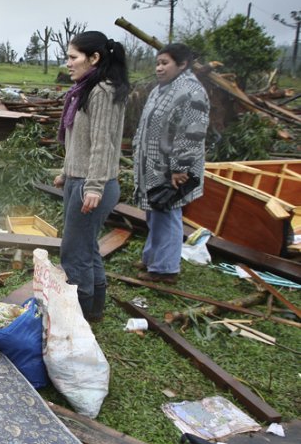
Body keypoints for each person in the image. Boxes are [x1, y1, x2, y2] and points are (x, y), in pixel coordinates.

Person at [53, 31, 130, 322]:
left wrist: (94, 186)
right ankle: (94, 310)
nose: (68, 63)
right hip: (80, 180)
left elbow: (102, 143)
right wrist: (66, 173)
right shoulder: (86, 89)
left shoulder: (102, 91)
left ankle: (80, 315)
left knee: (74, 252)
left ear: (94, 58)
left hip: (92, 184)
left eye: (73, 57)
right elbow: (80, 142)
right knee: (86, 248)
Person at [133, 43, 210, 284]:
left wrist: (180, 168)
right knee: (155, 213)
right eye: (157, 63)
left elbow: (192, 133)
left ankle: (166, 269)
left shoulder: (191, 92)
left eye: (165, 63)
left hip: (172, 170)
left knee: (167, 214)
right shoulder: (163, 89)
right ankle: (152, 257)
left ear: (182, 64)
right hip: (154, 167)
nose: (159, 68)